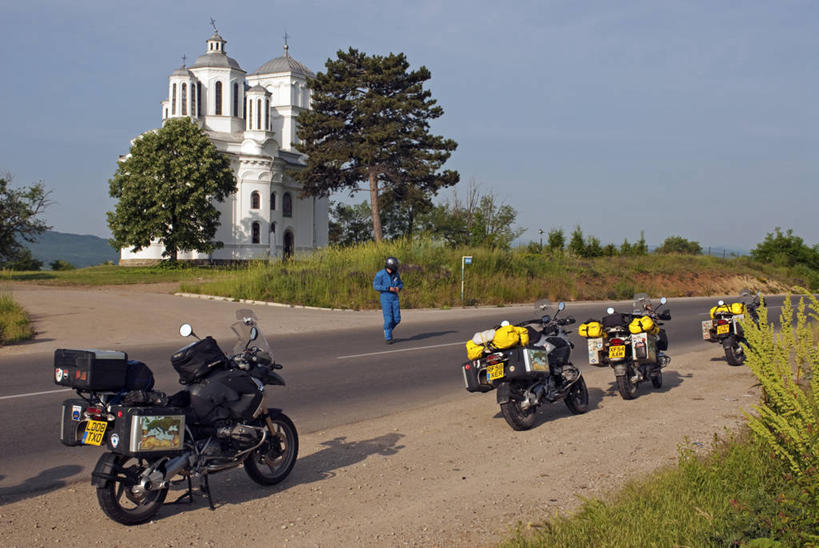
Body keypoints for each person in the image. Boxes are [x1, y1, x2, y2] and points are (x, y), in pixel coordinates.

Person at [373, 256, 403, 344]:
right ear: (391, 265)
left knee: (397, 319)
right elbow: (376, 286)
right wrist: (387, 288)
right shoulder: (380, 274)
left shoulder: (396, 274)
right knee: (389, 319)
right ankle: (388, 337)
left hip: (395, 297)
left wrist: (398, 288)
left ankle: (387, 330)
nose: (397, 266)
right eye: (396, 264)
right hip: (385, 298)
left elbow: (401, 283)